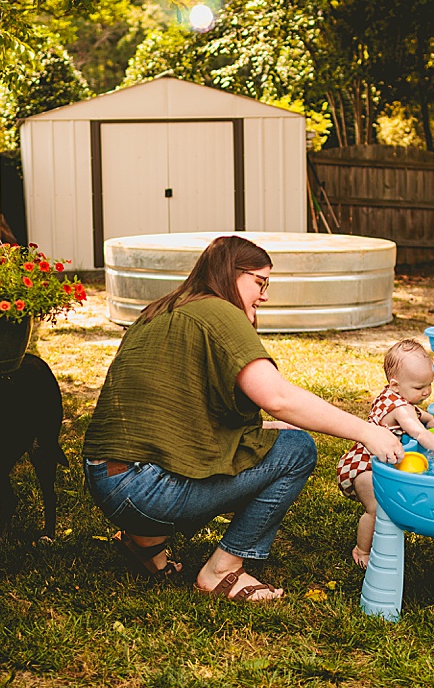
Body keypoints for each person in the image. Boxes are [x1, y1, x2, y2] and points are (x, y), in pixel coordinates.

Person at [83, 235, 403, 603]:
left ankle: (146, 544)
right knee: (297, 449)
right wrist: (368, 432)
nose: (264, 294)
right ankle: (222, 570)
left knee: (278, 437)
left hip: (109, 480)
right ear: (230, 275)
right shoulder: (220, 311)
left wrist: (263, 428)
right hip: (145, 490)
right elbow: (278, 398)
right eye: (260, 282)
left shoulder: (161, 309)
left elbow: (178, 411)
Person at [336, 339, 434, 567]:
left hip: (371, 459)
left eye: (429, 384)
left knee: (386, 506)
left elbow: (422, 416)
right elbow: (418, 432)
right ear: (395, 385)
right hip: (364, 466)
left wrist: (433, 421)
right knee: (376, 509)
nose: (427, 392)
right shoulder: (400, 409)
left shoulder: (398, 397)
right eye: (419, 387)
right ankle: (362, 550)